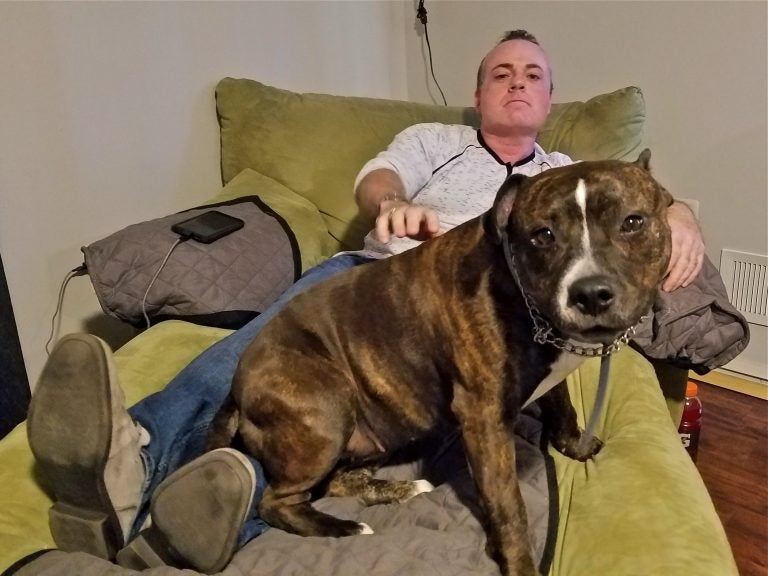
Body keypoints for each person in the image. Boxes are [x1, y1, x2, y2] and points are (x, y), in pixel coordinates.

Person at [26, 30, 705, 573]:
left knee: (301, 424)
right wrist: (392, 205)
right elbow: (376, 181)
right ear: (479, 93)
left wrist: (682, 218)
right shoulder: (436, 143)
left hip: (497, 309)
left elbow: (640, 209)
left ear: (550, 100)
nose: (517, 83)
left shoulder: (568, 178)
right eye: (502, 73)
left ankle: (204, 516)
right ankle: (133, 456)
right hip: (372, 279)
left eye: (532, 74)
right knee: (263, 347)